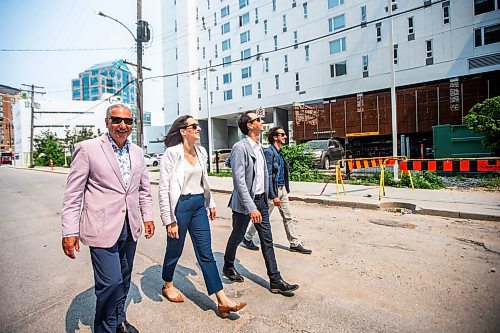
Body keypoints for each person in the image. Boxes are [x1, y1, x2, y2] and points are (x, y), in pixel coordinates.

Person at [61, 104, 155, 333]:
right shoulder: (88, 148)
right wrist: (69, 232)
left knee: (123, 278)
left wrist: (148, 216)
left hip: (130, 226)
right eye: (116, 120)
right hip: (101, 227)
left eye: (128, 121)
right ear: (107, 122)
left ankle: (119, 320)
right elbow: (73, 194)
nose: (122, 125)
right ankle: (105, 328)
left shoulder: (138, 152)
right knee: (110, 283)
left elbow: (143, 189)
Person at [158, 115, 246, 318]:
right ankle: (168, 283)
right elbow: (163, 188)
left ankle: (222, 300)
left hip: (198, 204)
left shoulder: (201, 151)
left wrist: (210, 202)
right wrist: (169, 219)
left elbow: (203, 180)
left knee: (205, 252)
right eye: (194, 126)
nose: (199, 129)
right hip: (179, 206)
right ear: (183, 130)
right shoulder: (171, 153)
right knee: (175, 249)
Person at [222, 111, 299, 295]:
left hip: (262, 201)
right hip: (244, 202)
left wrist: (272, 196)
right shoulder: (240, 148)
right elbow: (239, 181)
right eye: (258, 120)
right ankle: (228, 265)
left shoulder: (260, 147)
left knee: (267, 240)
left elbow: (265, 176)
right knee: (238, 235)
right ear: (249, 125)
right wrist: (251, 208)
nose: (261, 122)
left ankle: (275, 280)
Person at [241, 126, 312, 254]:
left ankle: (294, 243)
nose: (285, 136)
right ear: (275, 137)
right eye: (282, 134)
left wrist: (284, 189)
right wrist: (273, 195)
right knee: (262, 217)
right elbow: (267, 176)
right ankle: (247, 238)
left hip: (281, 189)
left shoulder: (279, 152)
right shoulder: (269, 152)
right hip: (272, 192)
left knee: (288, 217)